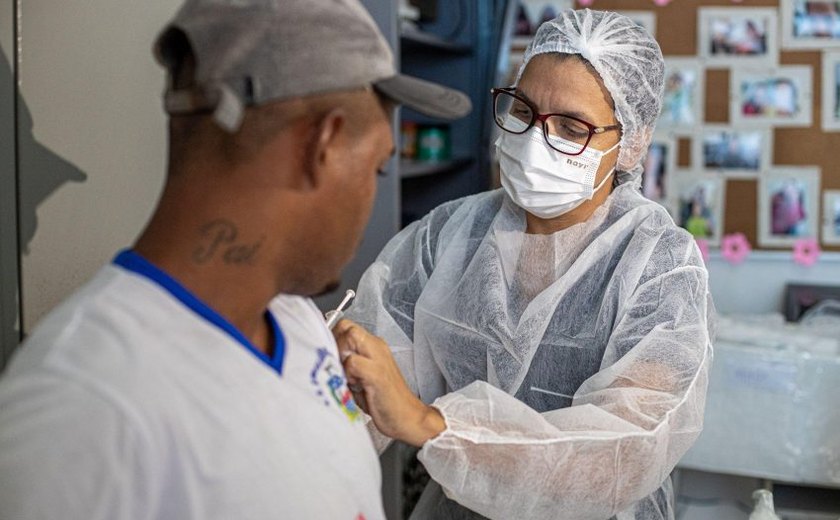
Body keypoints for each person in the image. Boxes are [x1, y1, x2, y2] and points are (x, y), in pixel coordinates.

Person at [0, 0, 470, 518]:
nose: (370, 198)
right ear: (324, 144)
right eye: (376, 169)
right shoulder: (82, 409)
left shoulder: (298, 326)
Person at [335, 9, 714, 520]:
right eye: (522, 111)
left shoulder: (659, 261)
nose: (536, 140)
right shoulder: (448, 235)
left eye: (571, 126)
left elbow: (626, 448)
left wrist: (432, 426)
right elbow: (367, 383)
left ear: (632, 144)